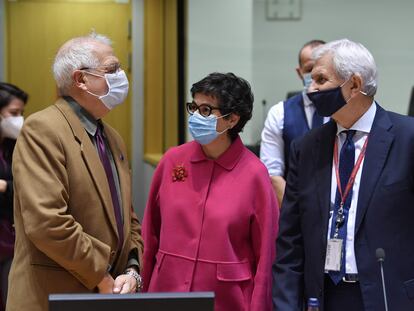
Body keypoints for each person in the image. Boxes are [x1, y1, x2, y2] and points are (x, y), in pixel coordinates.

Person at [272, 38, 414, 311]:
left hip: (390, 296)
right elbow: (290, 242)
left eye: (321, 80)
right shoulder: (307, 147)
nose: (311, 89)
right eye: (310, 79)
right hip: (324, 296)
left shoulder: (407, 139)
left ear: (355, 85)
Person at [6, 33, 144, 311]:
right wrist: (101, 276)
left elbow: (127, 218)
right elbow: (48, 222)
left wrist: (132, 269)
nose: (121, 76)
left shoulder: (112, 137)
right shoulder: (42, 129)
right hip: (53, 295)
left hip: (107, 292)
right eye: (112, 69)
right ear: (81, 79)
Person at [142, 72, 279, 311]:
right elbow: (149, 234)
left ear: (232, 119)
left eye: (205, 110)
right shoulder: (173, 160)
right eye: (193, 107)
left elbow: (266, 255)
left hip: (227, 299)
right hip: (166, 291)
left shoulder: (254, 174)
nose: (195, 116)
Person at [260, 39, 326, 206]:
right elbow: (272, 174)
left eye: (322, 69)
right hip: (293, 208)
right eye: (309, 69)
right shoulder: (279, 113)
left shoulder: (344, 110)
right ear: (299, 72)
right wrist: (295, 214)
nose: (315, 75)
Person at [0, 82, 27, 311]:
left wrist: (5, 186)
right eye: (14, 113)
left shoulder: (14, 146)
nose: (19, 120)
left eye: (22, 113)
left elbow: (25, 186)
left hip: (11, 234)